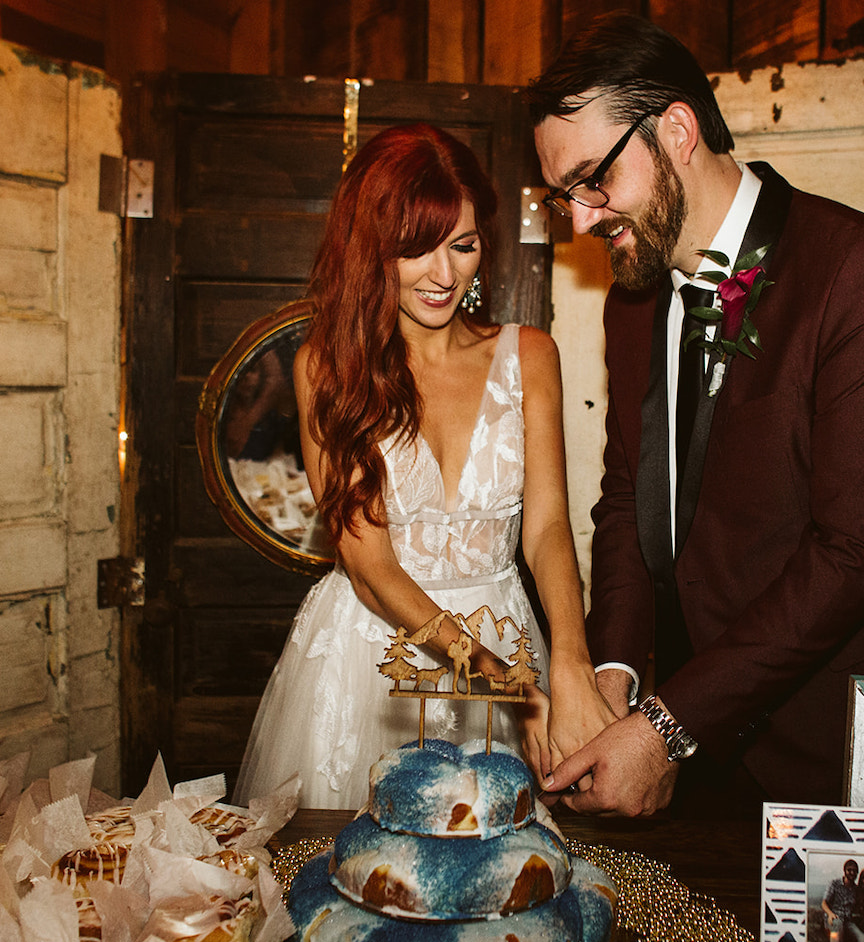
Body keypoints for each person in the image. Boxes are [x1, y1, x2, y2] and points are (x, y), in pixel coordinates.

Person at [525, 12, 864, 817]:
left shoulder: (859, 271)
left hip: (860, 740)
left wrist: (664, 728)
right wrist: (614, 678)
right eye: (563, 195)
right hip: (704, 744)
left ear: (675, 128)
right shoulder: (630, 306)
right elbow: (625, 500)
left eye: (593, 179)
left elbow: (853, 553)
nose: (581, 218)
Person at [233, 124, 616, 810]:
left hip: (506, 635)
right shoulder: (326, 368)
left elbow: (549, 526)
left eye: (462, 246)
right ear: (372, 250)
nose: (445, 275)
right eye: (415, 249)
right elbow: (373, 569)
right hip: (375, 658)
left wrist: (570, 659)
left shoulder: (530, 356)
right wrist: (505, 685)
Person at [821, 859, 864, 942]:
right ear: (844, 870)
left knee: (862, 938)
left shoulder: (855, 889)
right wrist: (830, 914)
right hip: (834, 918)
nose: (852, 873)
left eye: (855, 871)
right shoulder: (834, 883)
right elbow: (824, 903)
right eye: (849, 870)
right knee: (838, 927)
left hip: (848, 921)